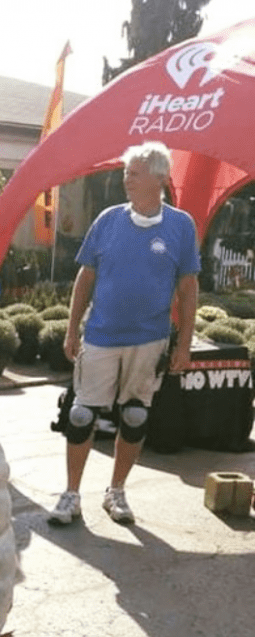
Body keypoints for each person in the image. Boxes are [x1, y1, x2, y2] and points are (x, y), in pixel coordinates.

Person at [49, 141, 200, 527]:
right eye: (125, 173)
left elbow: (187, 288)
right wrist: (71, 329)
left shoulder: (181, 225)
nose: (125, 179)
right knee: (81, 415)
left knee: (134, 416)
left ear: (159, 178)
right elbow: (86, 277)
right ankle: (70, 495)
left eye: (133, 173)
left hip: (149, 339)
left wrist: (183, 343)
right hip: (101, 336)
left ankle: (116, 491)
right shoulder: (108, 219)